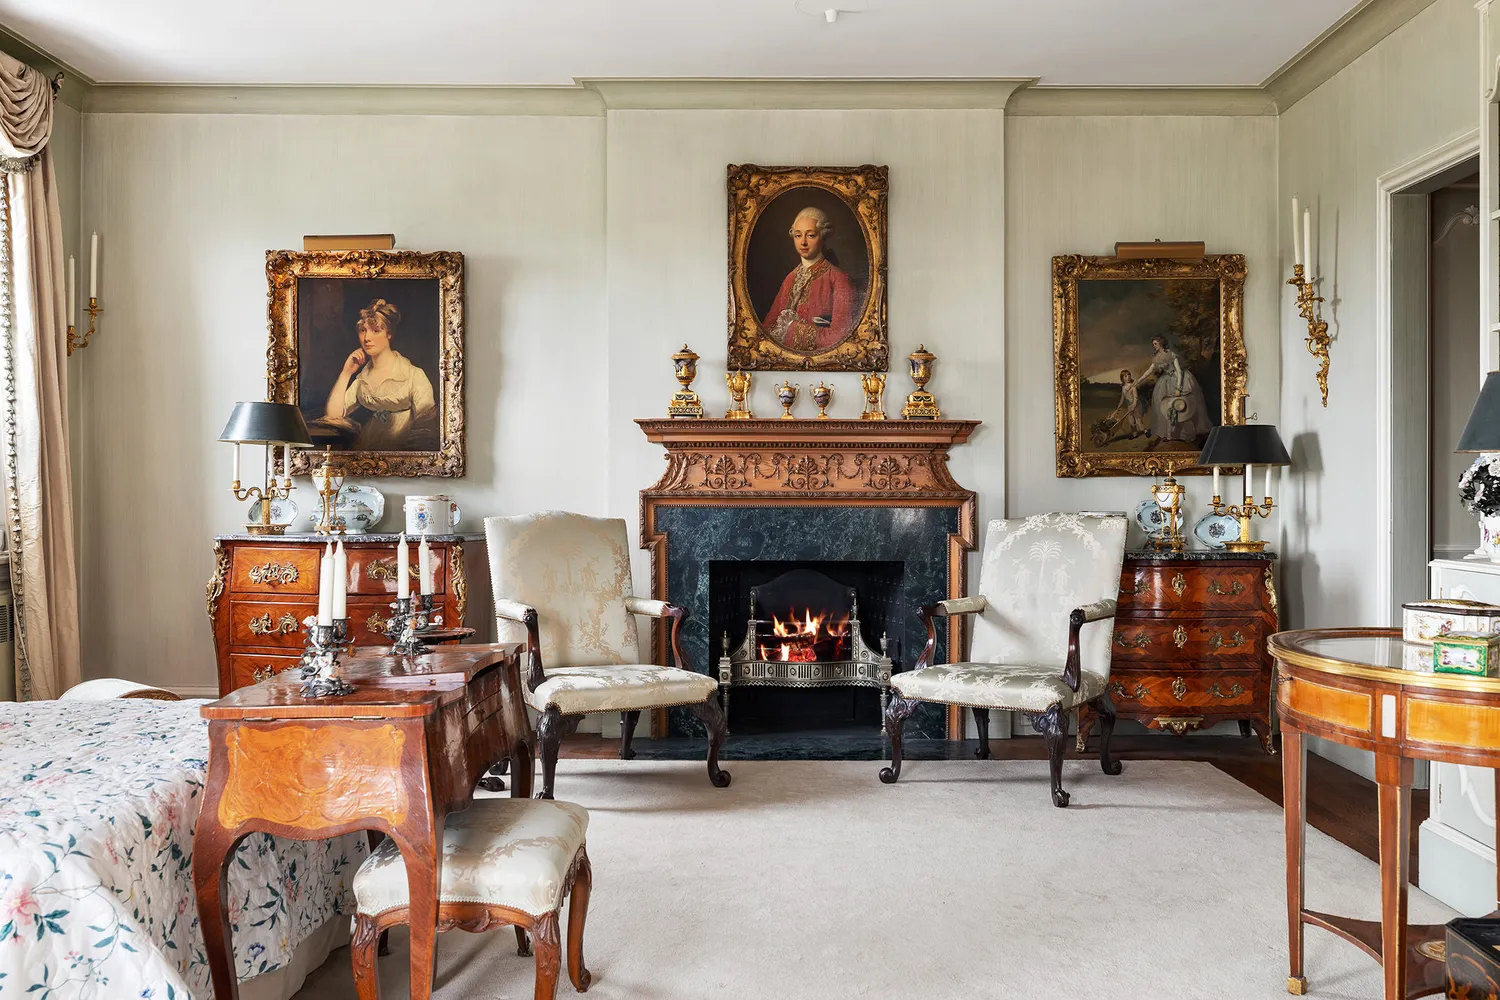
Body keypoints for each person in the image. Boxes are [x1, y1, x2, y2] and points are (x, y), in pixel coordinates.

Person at [323, 298, 437, 450]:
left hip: (403, 452)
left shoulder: (413, 375)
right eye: (363, 330)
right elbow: (333, 415)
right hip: (366, 448)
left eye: (375, 331)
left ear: (388, 334)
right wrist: (346, 373)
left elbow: (427, 430)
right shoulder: (363, 379)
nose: (367, 338)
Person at [762, 207, 858, 353]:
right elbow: (768, 327)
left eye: (811, 235)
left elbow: (840, 336)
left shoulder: (839, 279)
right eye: (798, 235)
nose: (803, 242)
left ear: (823, 237)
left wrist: (792, 329)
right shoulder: (790, 278)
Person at [1138, 335, 1211, 448]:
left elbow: (1179, 371)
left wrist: (1178, 388)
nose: (1154, 346)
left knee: (1182, 407)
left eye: (1155, 344)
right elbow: (1149, 371)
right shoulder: (1157, 357)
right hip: (1165, 382)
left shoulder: (1171, 354)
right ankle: (1170, 434)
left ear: (1161, 343)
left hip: (1179, 380)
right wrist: (1138, 380)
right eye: (1153, 344)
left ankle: (1184, 434)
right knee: (1165, 408)